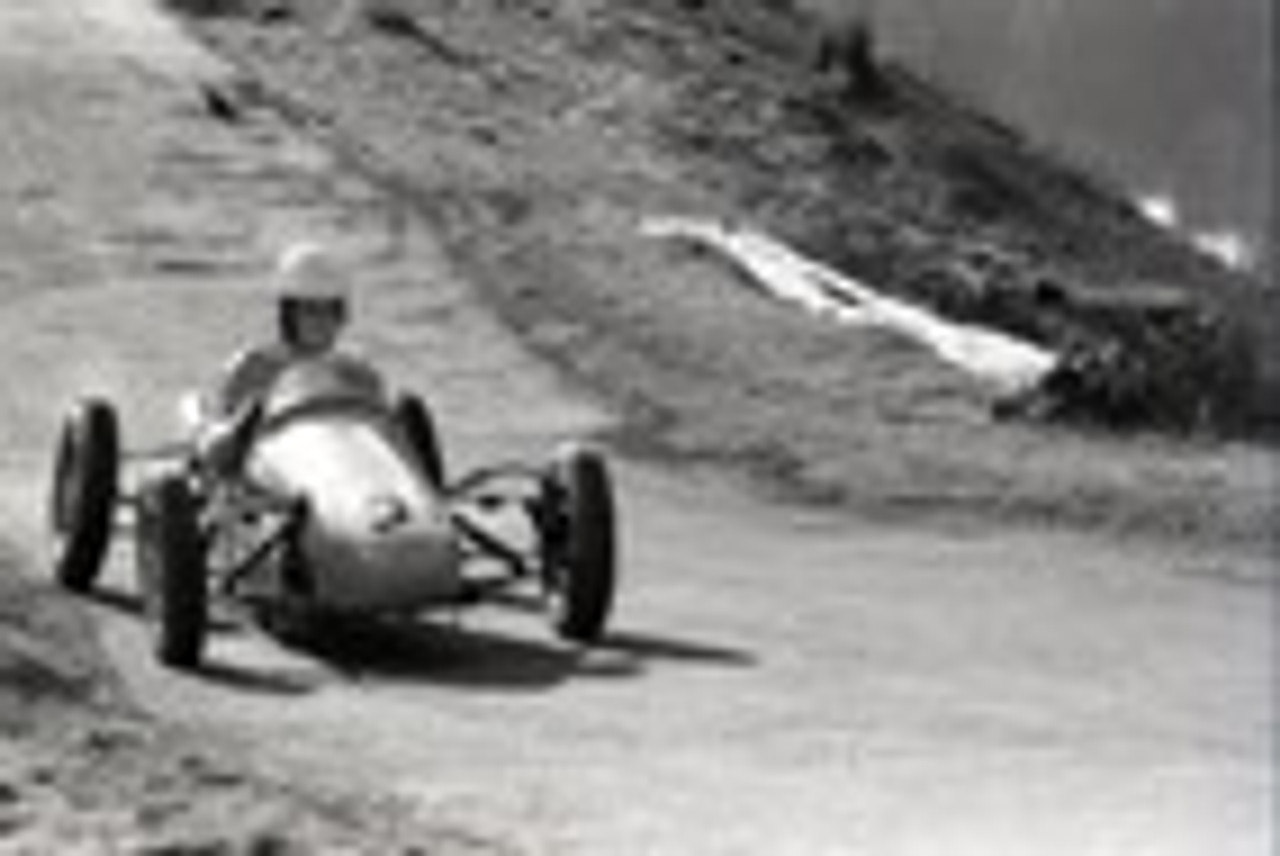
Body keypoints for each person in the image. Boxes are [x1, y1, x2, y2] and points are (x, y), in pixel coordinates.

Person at [194, 241, 386, 476]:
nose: (323, 322)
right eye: (311, 311)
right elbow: (214, 439)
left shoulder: (360, 375)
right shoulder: (251, 367)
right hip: (272, 489)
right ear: (288, 313)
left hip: (344, 488)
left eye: (332, 310)